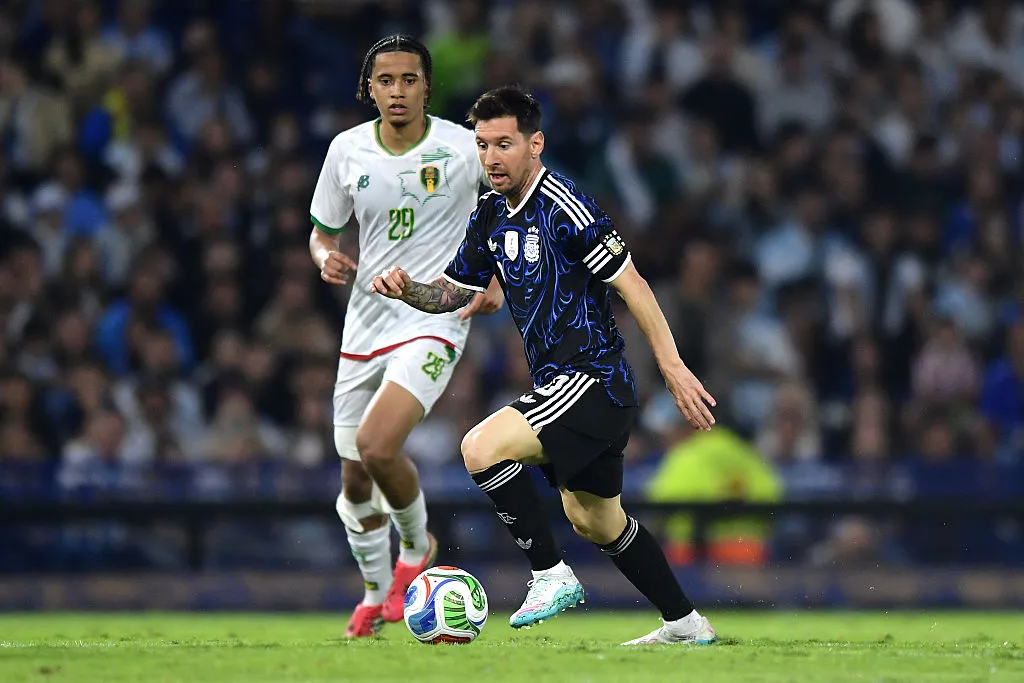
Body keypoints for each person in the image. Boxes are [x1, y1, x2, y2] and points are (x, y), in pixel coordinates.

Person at [369, 86, 719, 646]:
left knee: (480, 447)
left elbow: (634, 286)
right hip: (565, 385)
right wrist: (408, 289)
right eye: (482, 145)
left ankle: (550, 574)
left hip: (593, 379)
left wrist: (673, 368)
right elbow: (454, 292)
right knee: (596, 521)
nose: (491, 158)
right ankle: (684, 622)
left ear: (536, 145)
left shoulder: (564, 207)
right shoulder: (489, 214)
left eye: (504, 144)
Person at [309, 35, 503, 639]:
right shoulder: (346, 151)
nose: (397, 91)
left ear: (427, 86)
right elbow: (322, 232)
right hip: (365, 321)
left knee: (376, 444)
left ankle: (416, 550)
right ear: (369, 88)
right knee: (353, 481)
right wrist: (326, 258)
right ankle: (373, 593)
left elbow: (510, 204)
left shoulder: (460, 147)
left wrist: (494, 276)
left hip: (434, 316)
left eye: (409, 80)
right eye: (385, 80)